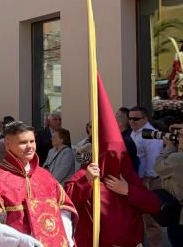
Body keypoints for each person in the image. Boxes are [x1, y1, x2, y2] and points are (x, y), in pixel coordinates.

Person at [65, 76, 160, 247]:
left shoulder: (127, 175)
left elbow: (153, 204)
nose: (113, 159)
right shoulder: (87, 172)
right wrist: (85, 181)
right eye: (108, 154)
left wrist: (128, 190)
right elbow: (66, 198)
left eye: (117, 154)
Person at [0, 120, 77, 247]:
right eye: (23, 142)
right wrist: (20, 241)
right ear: (7, 145)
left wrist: (66, 236)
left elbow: (64, 209)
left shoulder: (45, 176)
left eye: (32, 141)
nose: (30, 146)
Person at [128, 105, 164, 247]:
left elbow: (153, 161)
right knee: (139, 220)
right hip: (138, 181)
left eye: (136, 118)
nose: (132, 121)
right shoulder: (134, 133)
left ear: (145, 118)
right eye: (130, 118)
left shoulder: (151, 135)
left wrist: (147, 180)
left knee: (151, 222)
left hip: (149, 182)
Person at [154, 124, 183, 246]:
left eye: (181, 136)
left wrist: (169, 147)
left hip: (179, 218)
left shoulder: (178, 158)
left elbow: (158, 166)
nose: (178, 138)